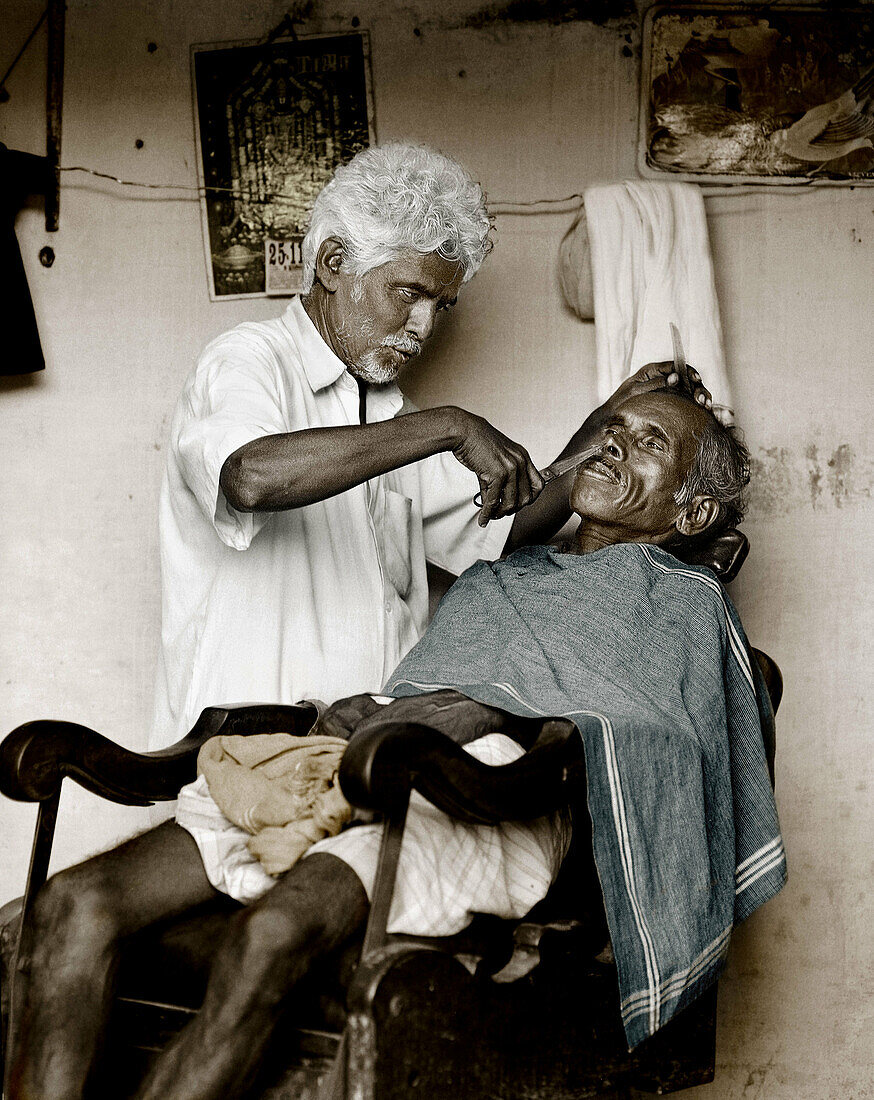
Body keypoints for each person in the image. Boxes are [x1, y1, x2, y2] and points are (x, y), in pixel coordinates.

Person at [9, 387, 786, 1099]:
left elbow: (663, 745)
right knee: (73, 907)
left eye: (649, 442)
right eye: (611, 429)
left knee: (270, 936)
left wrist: (483, 718)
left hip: (487, 797)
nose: (615, 444)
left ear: (692, 513)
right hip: (369, 758)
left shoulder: (682, 603)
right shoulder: (496, 580)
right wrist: (360, 713)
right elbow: (426, 685)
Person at [149, 141, 713, 757]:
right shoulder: (248, 360)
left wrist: (608, 420)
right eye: (407, 293)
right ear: (335, 263)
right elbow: (249, 476)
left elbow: (510, 525)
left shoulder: (386, 413)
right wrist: (448, 425)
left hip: (377, 756)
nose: (424, 329)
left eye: (439, 305)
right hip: (249, 745)